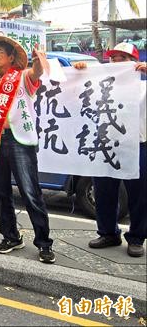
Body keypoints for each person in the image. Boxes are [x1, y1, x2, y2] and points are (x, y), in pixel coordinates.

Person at [0, 36, 56, 264]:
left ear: (11, 57)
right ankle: (11, 237)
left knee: (30, 192)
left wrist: (38, 60)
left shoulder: (22, 76)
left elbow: (36, 73)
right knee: (0, 192)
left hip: (20, 142)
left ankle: (44, 243)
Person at [73, 43, 146, 258]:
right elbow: (75, 95)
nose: (116, 63)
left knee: (139, 195)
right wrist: (78, 73)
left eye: (122, 58)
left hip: (138, 145)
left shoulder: (143, 87)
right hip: (106, 144)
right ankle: (108, 233)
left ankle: (136, 238)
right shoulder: (101, 87)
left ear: (135, 62)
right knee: (103, 191)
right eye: (113, 58)